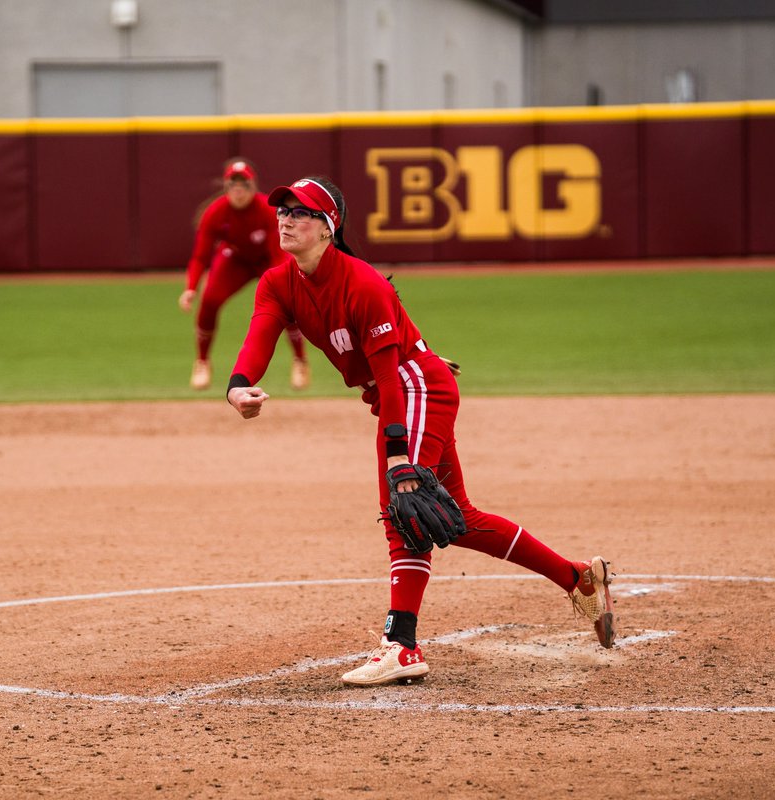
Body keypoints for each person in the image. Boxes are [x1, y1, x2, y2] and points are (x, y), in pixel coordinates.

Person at [225, 176, 616, 686]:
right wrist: (238, 385)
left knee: (404, 505)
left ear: (328, 227)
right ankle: (578, 578)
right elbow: (260, 334)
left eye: (300, 211)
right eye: (282, 210)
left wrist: (396, 457)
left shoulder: (363, 282)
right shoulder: (279, 282)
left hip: (411, 389)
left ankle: (401, 645)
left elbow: (391, 374)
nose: (285, 218)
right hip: (408, 388)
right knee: (458, 516)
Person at [180, 158, 311, 391]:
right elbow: (200, 256)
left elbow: (280, 253)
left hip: (268, 258)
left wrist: (286, 281)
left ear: (253, 187)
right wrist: (191, 288)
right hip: (236, 259)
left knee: (287, 302)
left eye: (244, 185)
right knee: (209, 300)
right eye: (233, 185)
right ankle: (202, 361)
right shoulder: (216, 212)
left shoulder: (267, 209)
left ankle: (300, 359)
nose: (238, 191)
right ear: (227, 188)